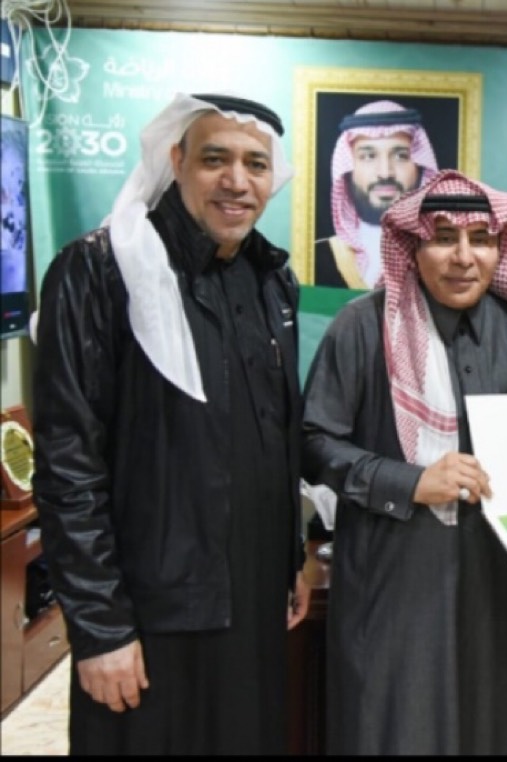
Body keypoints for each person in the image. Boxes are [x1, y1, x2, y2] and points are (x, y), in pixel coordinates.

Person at [30, 92, 309, 755]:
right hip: (150, 609)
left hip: (253, 598)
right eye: (215, 160)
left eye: (255, 164)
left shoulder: (271, 279)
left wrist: (289, 558)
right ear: (176, 160)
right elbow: (69, 463)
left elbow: (275, 436)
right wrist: (100, 627)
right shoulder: (100, 269)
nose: (237, 181)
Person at [301, 168, 507, 754]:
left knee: (482, 730)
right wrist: (409, 481)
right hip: (392, 577)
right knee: (391, 730)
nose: (464, 257)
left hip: (489, 583)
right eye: (444, 238)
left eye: (482, 239)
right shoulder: (362, 326)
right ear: (413, 246)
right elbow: (314, 442)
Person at [313, 99, 439, 289]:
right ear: (348, 170)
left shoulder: (444, 256)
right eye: (368, 156)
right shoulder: (315, 256)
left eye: (401, 156)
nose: (385, 173)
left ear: (421, 169)